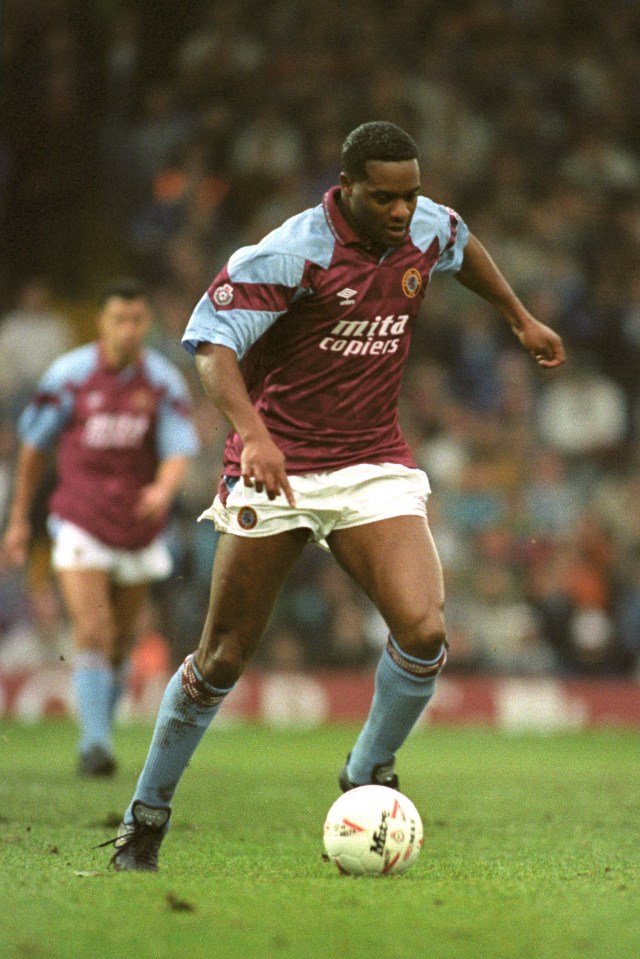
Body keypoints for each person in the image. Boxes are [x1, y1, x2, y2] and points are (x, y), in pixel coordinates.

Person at [107, 121, 565, 871]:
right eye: (384, 197)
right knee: (221, 656)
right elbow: (211, 347)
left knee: (424, 630)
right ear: (344, 186)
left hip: (370, 461)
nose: (401, 210)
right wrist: (253, 436)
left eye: (409, 193)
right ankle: (145, 818)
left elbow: (463, 240)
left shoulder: (424, 225)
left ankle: (364, 771)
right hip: (277, 466)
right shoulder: (290, 252)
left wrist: (519, 317)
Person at [1, 279, 199, 776]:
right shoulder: (68, 376)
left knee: (121, 639)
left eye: (136, 321)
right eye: (119, 320)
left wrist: (162, 489)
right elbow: (34, 448)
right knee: (93, 627)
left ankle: (101, 734)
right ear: (102, 323)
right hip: (80, 518)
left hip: (137, 522)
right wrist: (21, 517)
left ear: (145, 324)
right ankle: (94, 744)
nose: (128, 330)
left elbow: (178, 448)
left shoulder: (161, 381)